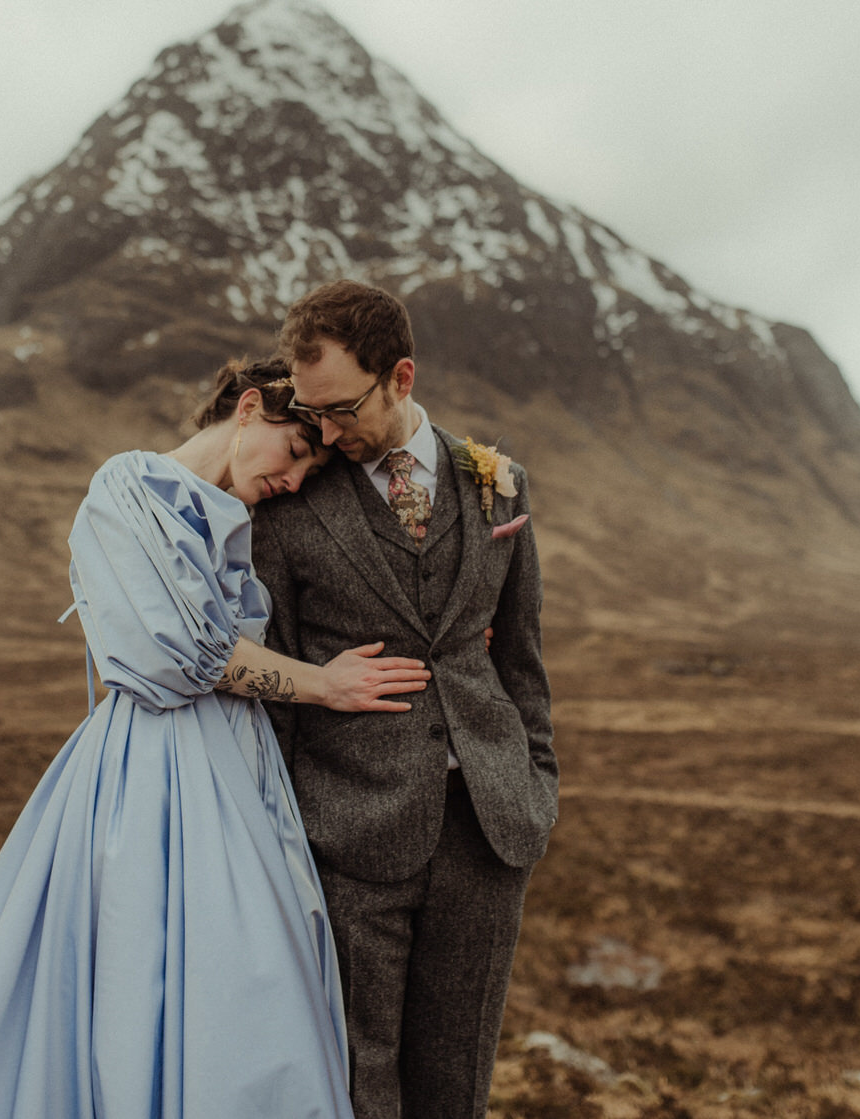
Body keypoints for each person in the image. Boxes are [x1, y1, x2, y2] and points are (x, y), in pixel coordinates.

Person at [0, 357, 433, 1119]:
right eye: (294, 451)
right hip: (149, 771)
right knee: (142, 972)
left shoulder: (254, 519)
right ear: (250, 407)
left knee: (253, 980)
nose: (295, 479)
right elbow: (179, 654)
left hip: (242, 767)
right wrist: (324, 683)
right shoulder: (127, 485)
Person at [253, 281, 558, 1119]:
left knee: (456, 1080)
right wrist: (288, 833)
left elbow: (523, 663)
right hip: (348, 833)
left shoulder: (501, 484)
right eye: (311, 413)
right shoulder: (290, 507)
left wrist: (536, 788)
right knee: (357, 1077)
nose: (325, 431)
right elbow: (273, 677)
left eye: (342, 408)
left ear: (402, 377)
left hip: (488, 831)